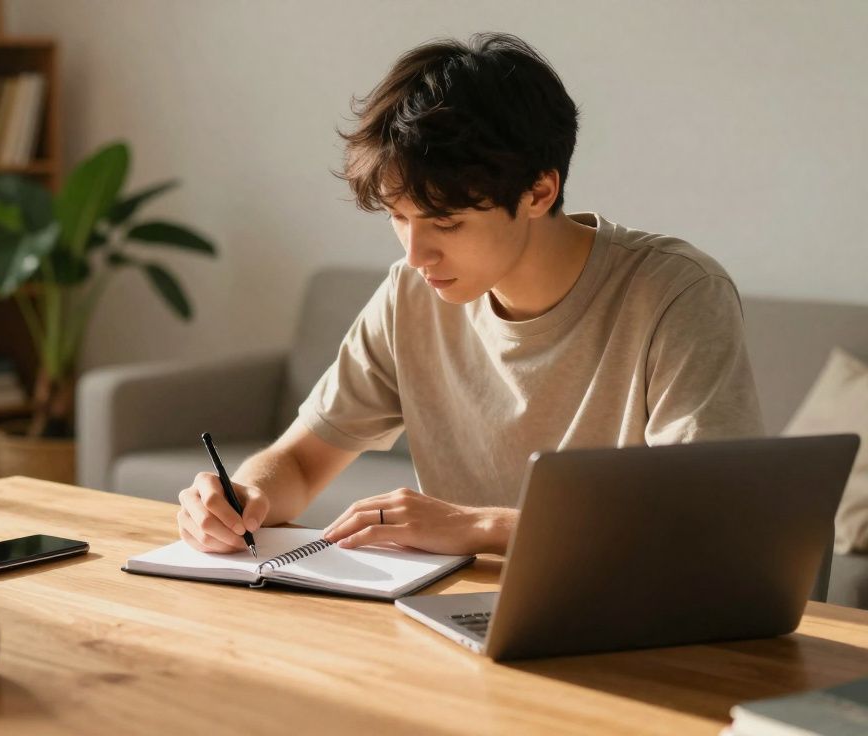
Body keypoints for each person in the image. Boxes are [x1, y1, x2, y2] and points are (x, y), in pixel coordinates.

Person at [175, 32, 764, 557]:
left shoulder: (677, 294)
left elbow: (701, 516)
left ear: (538, 191)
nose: (415, 254)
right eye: (398, 217)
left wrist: (479, 525)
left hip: (632, 615)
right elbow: (301, 462)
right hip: (460, 616)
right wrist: (244, 496)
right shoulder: (411, 294)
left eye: (446, 223)